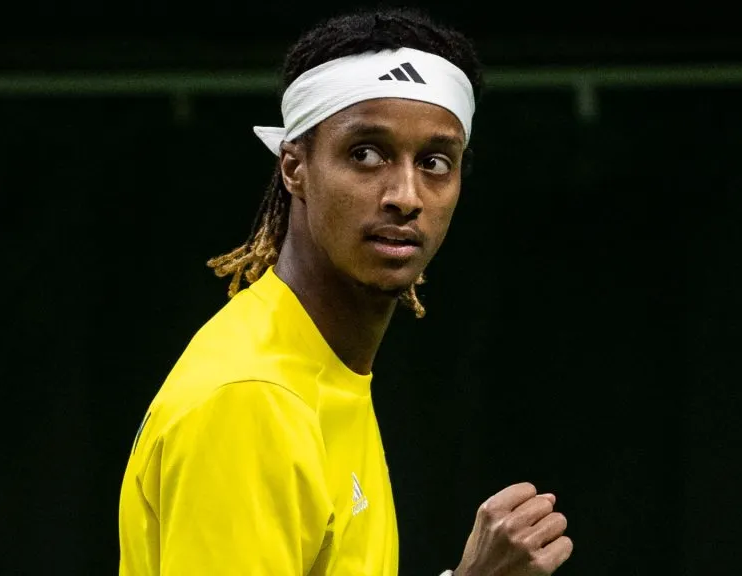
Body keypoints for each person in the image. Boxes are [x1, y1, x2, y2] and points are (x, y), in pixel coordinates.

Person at [117, 7, 573, 575]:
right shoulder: (252, 399)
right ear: (294, 167)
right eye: (366, 153)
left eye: (434, 162)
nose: (406, 195)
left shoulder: (322, 368)